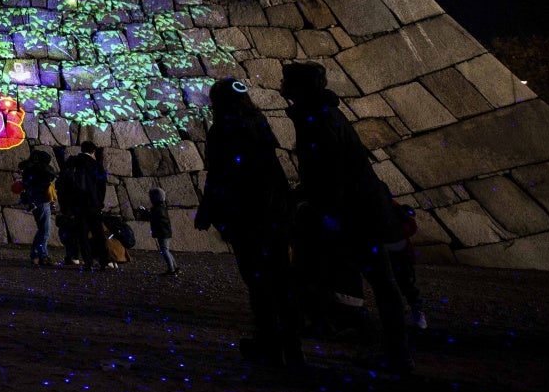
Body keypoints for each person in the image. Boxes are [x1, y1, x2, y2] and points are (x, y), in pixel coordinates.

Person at [280, 60, 411, 372]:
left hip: (355, 212)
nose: (280, 85)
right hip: (359, 208)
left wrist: (327, 211)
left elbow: (331, 171)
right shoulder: (321, 114)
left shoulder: (317, 119)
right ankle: (387, 346)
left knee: (376, 279)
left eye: (286, 81)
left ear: (299, 88)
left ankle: (393, 351)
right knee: (377, 279)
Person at [195, 77, 304, 369]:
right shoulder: (259, 124)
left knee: (258, 280)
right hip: (274, 213)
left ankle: (268, 341)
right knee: (281, 277)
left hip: (247, 216)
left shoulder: (223, 130)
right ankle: (292, 344)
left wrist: (209, 210)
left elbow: (220, 174)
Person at [56, 141, 108, 271]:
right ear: (93, 152)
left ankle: (88, 262)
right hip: (93, 204)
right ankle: (103, 261)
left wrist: (65, 205)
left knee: (82, 234)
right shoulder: (96, 165)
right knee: (98, 233)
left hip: (77, 205)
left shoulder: (72, 163)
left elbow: (62, 185)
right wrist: (99, 202)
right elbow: (102, 187)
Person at [16, 149, 58, 266]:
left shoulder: (29, 170)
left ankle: (37, 255)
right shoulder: (41, 170)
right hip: (42, 201)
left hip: (34, 201)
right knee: (44, 231)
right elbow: (48, 180)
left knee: (42, 230)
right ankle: (40, 255)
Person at [147, 186, 179, 276]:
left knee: (164, 251)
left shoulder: (156, 209)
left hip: (162, 233)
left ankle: (171, 270)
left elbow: (155, 220)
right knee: (166, 250)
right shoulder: (162, 208)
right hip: (166, 232)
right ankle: (175, 268)